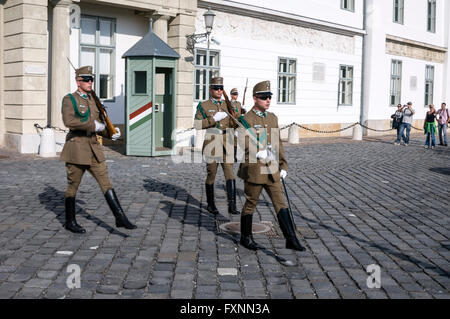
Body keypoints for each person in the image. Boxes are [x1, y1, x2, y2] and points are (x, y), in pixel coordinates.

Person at [60, 66, 136, 233]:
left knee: (106, 182)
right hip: (77, 148)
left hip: (94, 148)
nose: (90, 82)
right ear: (78, 82)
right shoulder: (70, 100)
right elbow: (69, 121)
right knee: (73, 185)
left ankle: (120, 217)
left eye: (91, 79)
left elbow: (101, 125)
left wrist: (111, 133)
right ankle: (70, 221)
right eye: (86, 79)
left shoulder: (95, 100)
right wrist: (92, 125)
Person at [236, 80, 304, 251]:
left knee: (280, 202)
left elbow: (278, 144)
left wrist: (283, 166)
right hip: (255, 169)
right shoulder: (246, 119)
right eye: (264, 97)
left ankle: (291, 238)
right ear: (255, 98)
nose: (268, 100)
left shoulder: (272, 118)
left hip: (272, 169)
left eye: (269, 97)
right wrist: (257, 151)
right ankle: (246, 237)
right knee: (251, 202)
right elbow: (242, 140)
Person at [194, 77, 240, 216]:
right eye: (216, 88)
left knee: (230, 174)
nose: (219, 91)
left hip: (228, 142)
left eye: (221, 88)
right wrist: (214, 119)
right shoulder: (204, 105)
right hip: (212, 142)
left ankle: (232, 205)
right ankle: (211, 204)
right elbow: (197, 124)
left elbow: (238, 120)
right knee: (211, 174)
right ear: (210, 89)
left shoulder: (229, 105)